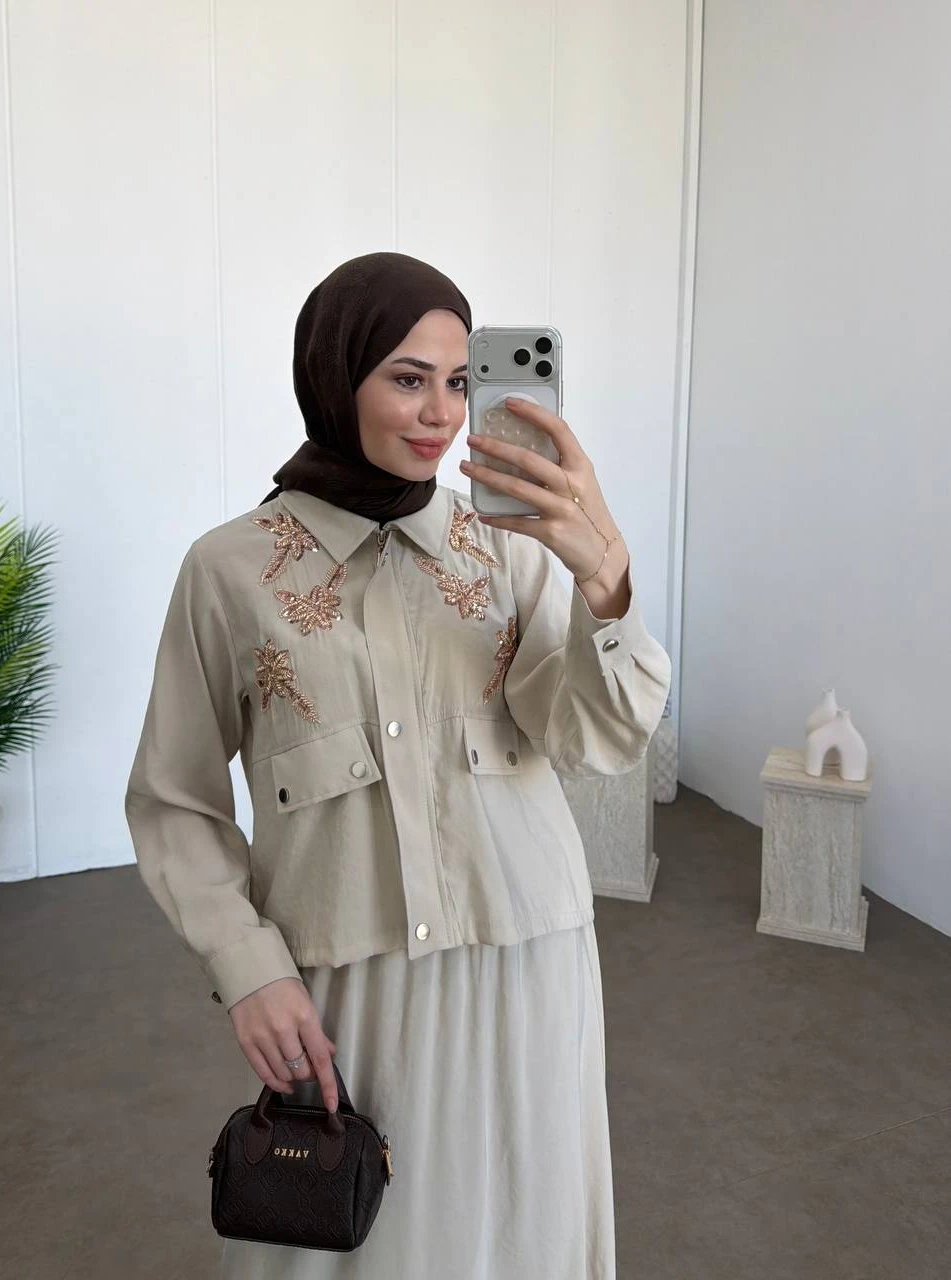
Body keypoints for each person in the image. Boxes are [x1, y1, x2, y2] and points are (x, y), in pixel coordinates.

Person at [124, 251, 672, 1279]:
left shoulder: (511, 548)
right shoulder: (229, 569)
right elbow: (173, 799)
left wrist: (602, 578)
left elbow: (593, 736)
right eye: (407, 378)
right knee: (356, 1242)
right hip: (351, 982)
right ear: (336, 375)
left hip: (526, 956)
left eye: (460, 381)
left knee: (519, 1228)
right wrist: (247, 970)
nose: (442, 414)